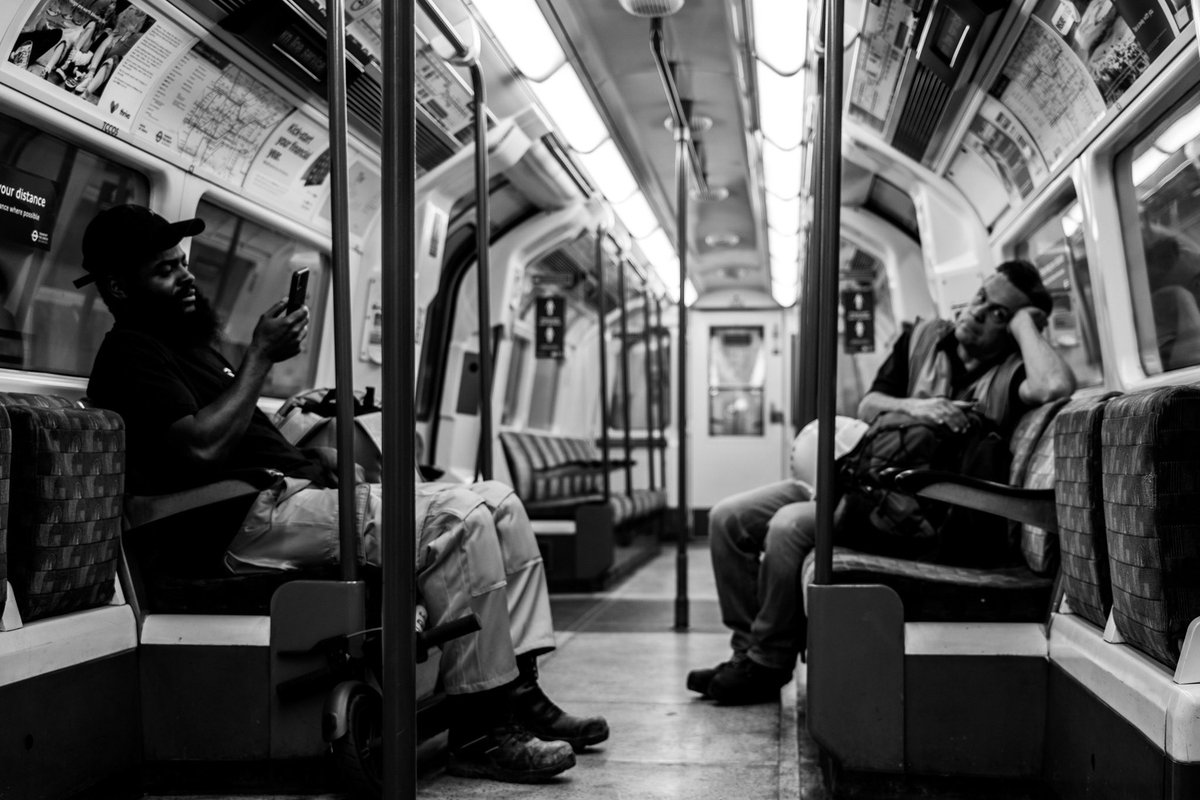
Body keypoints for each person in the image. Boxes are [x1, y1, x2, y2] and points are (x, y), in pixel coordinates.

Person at [80, 204, 608, 784]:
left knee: (500, 501)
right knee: (463, 516)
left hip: (279, 498)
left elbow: (242, 439)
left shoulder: (188, 347)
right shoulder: (131, 354)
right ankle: (480, 730)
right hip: (236, 525)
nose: (185, 278)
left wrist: (314, 458)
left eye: (183, 264)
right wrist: (259, 357)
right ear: (118, 288)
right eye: (163, 270)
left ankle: (520, 694)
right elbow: (202, 449)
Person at [688, 261, 1076, 705]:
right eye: (981, 297)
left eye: (998, 312)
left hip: (902, 509)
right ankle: (746, 653)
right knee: (727, 519)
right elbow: (871, 404)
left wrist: (1027, 325)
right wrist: (920, 408)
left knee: (789, 528)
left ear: (1013, 328)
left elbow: (1055, 385)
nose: (976, 310)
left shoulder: (1009, 375)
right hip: (852, 471)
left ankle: (767, 663)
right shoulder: (922, 338)